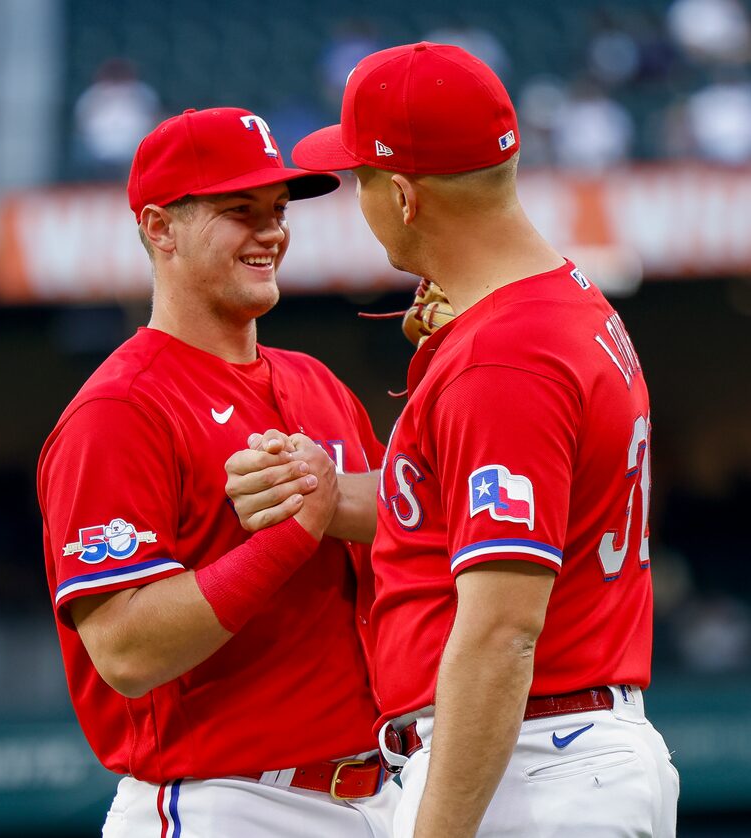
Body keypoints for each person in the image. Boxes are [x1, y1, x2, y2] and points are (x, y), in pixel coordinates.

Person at [230, 42, 680, 837]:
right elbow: (450, 511)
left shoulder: (504, 357)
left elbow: (503, 631)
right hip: (551, 751)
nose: (357, 199)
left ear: (403, 195)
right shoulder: (555, 306)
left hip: (532, 763)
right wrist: (328, 495)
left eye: (363, 179)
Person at [37, 106, 398, 838]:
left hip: (377, 792)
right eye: (240, 211)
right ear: (159, 227)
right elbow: (126, 651)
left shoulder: (320, 384)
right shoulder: (121, 408)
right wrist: (287, 538)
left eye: (277, 209)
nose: (272, 231)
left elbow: (400, 549)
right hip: (222, 801)